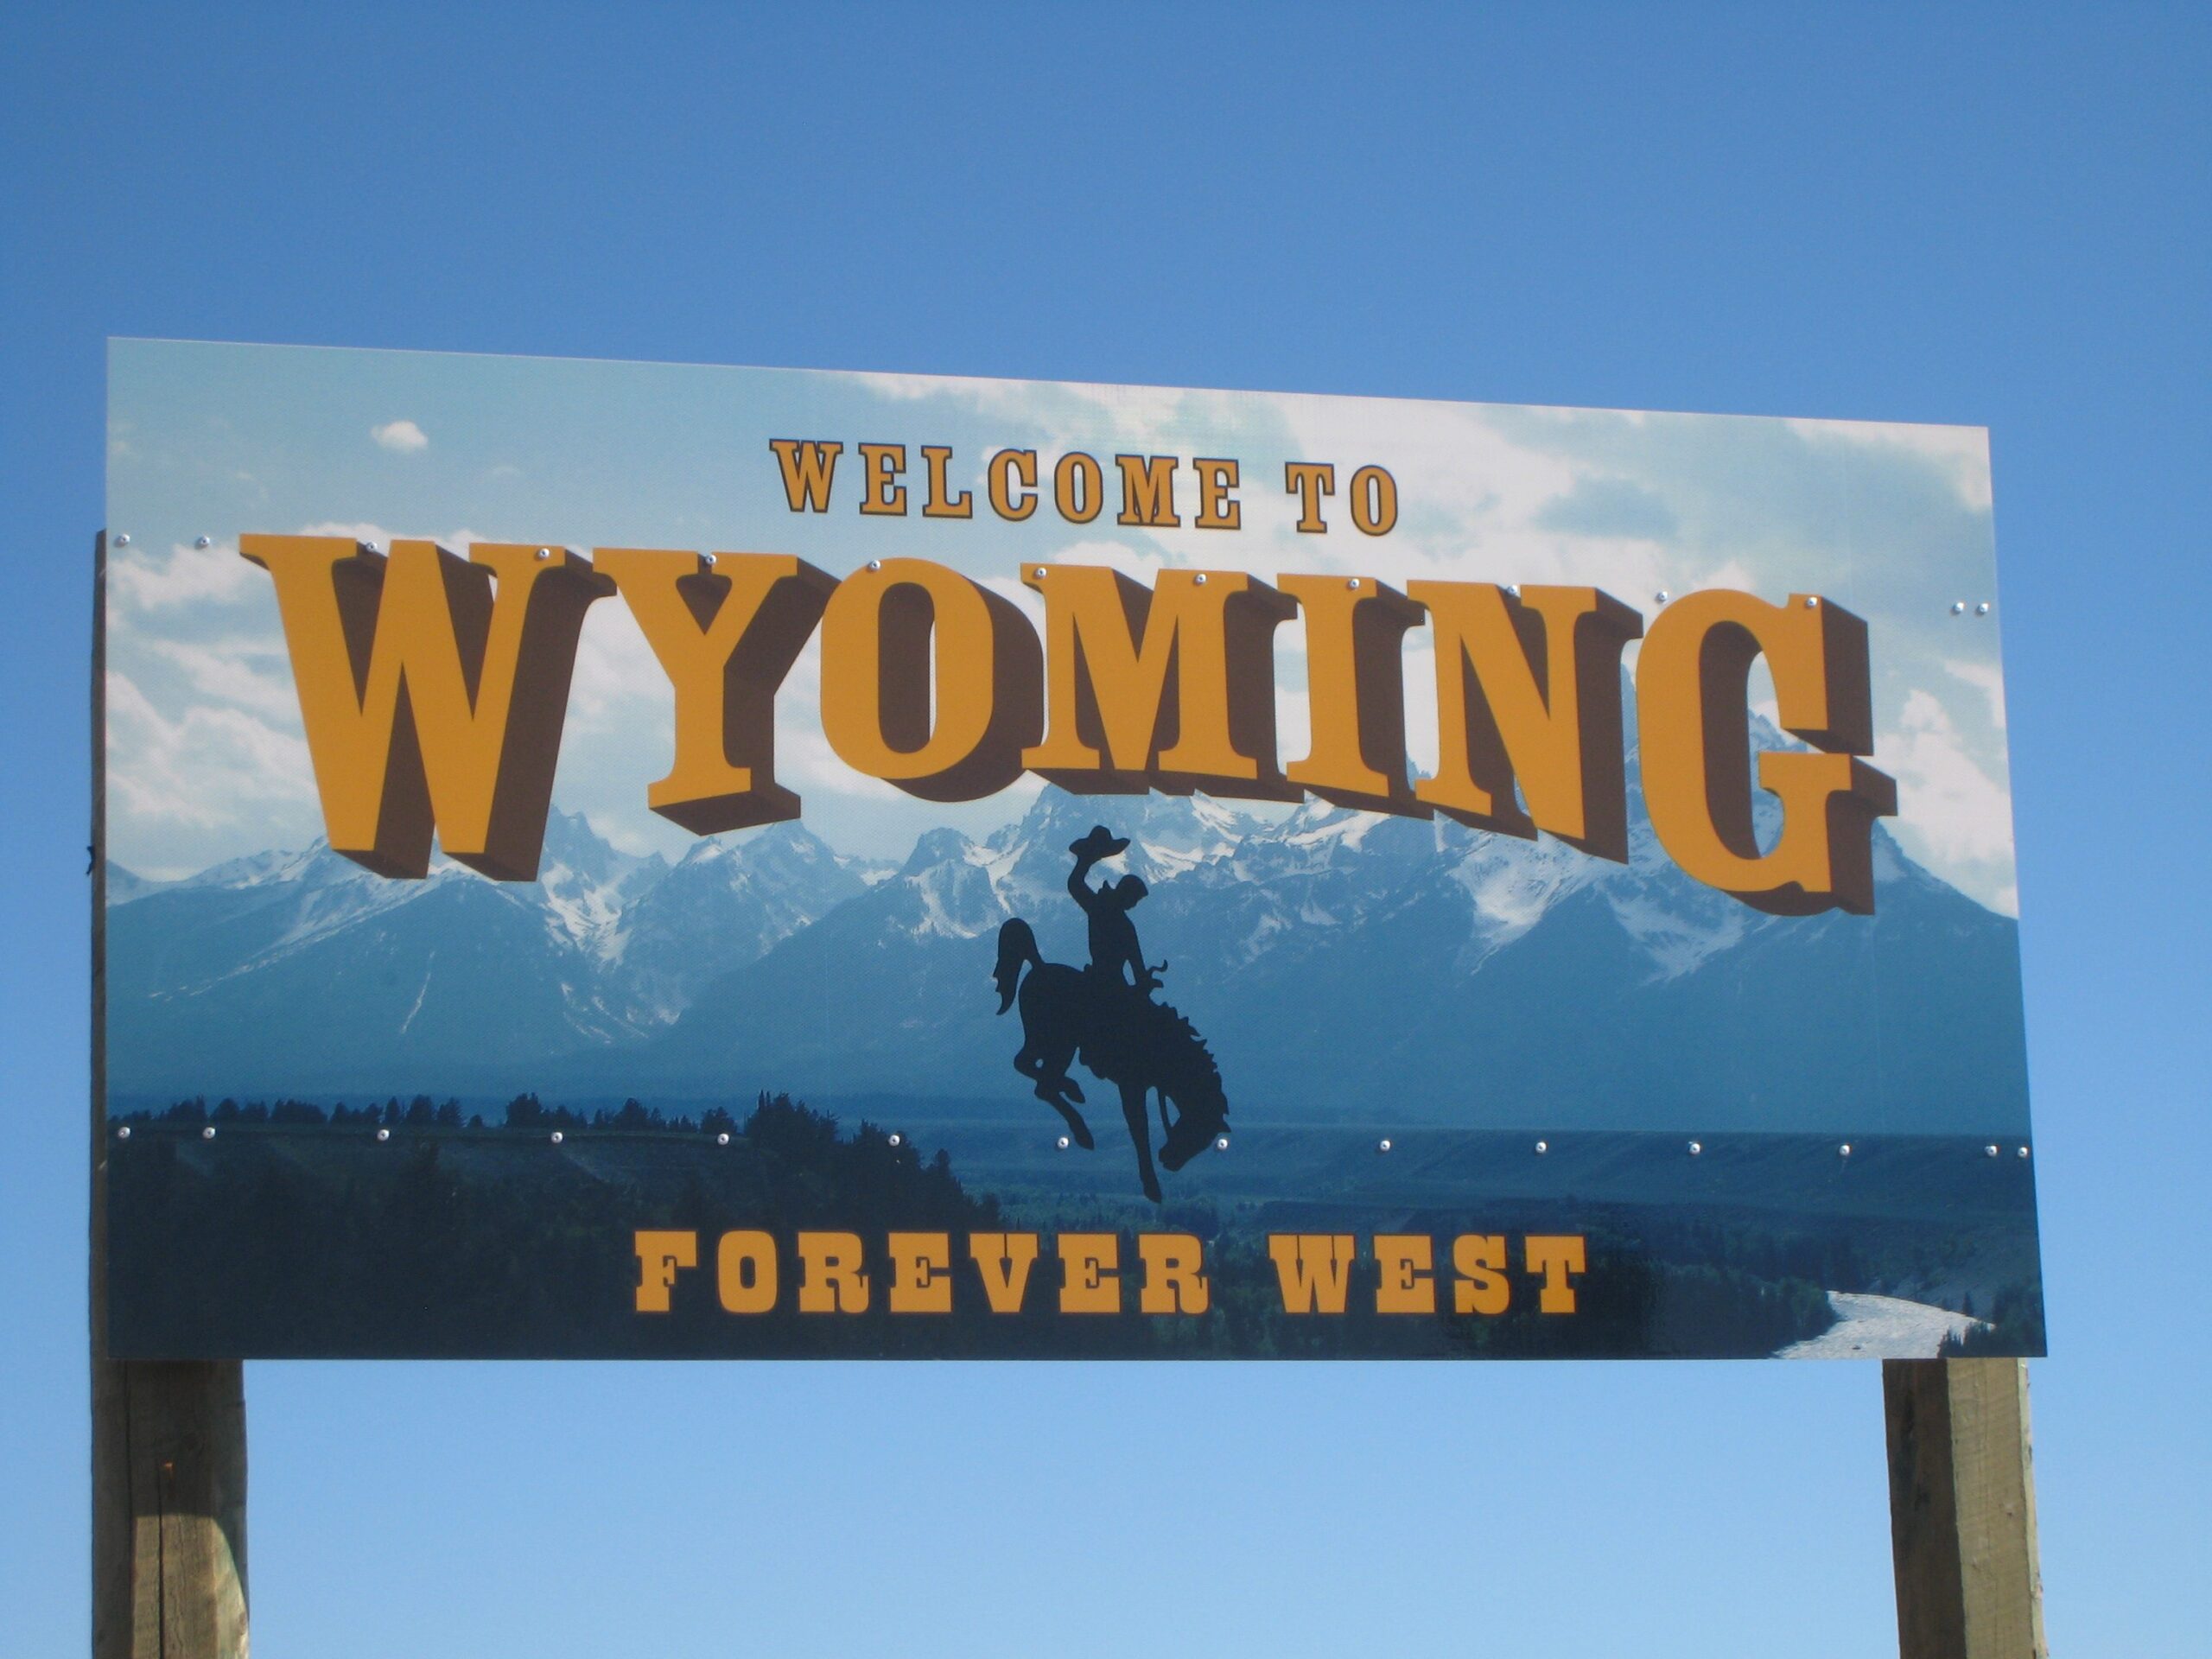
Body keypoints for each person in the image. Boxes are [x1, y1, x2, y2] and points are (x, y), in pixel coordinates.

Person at [1066, 826, 1162, 997]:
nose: (1134, 904)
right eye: (1135, 899)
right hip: (1114, 988)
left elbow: (1075, 884)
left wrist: (1085, 861)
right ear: (1127, 895)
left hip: (1093, 978)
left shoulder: (1097, 907)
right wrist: (1147, 982)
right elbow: (1138, 971)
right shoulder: (1124, 927)